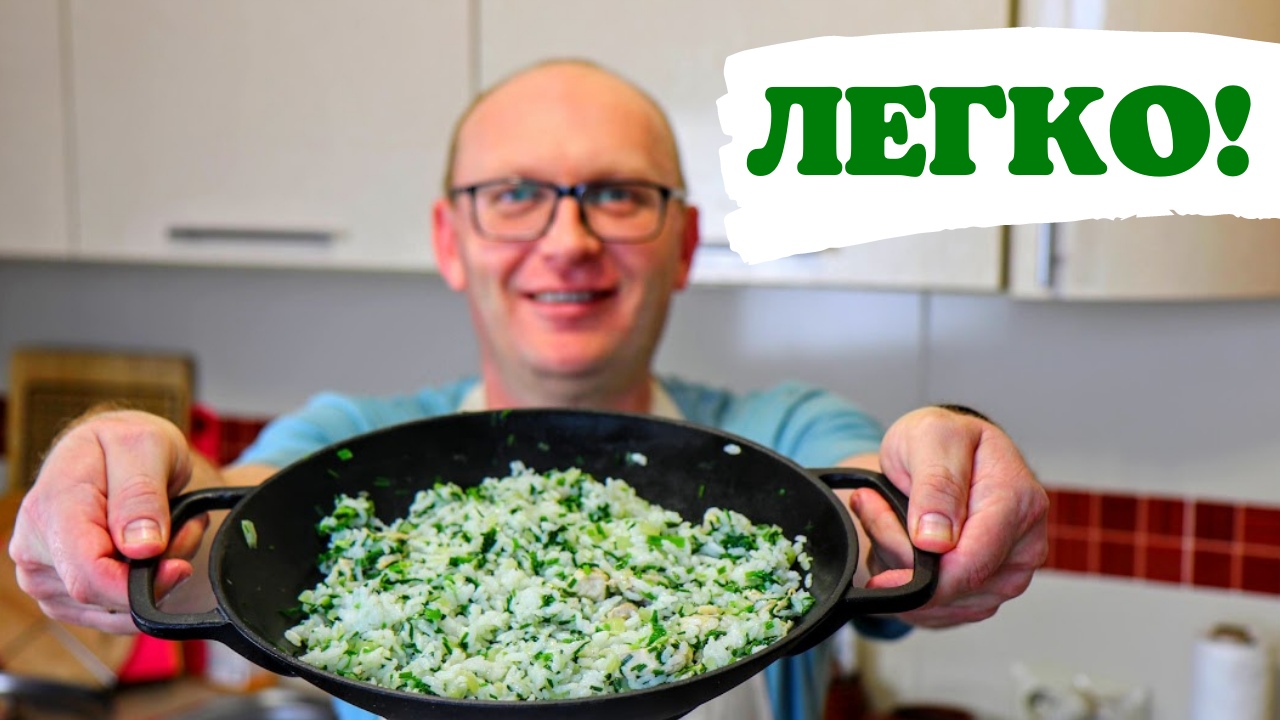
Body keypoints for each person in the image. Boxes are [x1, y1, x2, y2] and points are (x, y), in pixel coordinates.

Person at [8, 59, 1048, 720]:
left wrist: (949, 469)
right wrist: (120, 476)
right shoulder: (352, 445)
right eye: (513, 195)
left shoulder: (778, 435)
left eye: (618, 195)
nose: (568, 240)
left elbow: (878, 506)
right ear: (448, 240)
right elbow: (228, 526)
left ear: (684, 242)